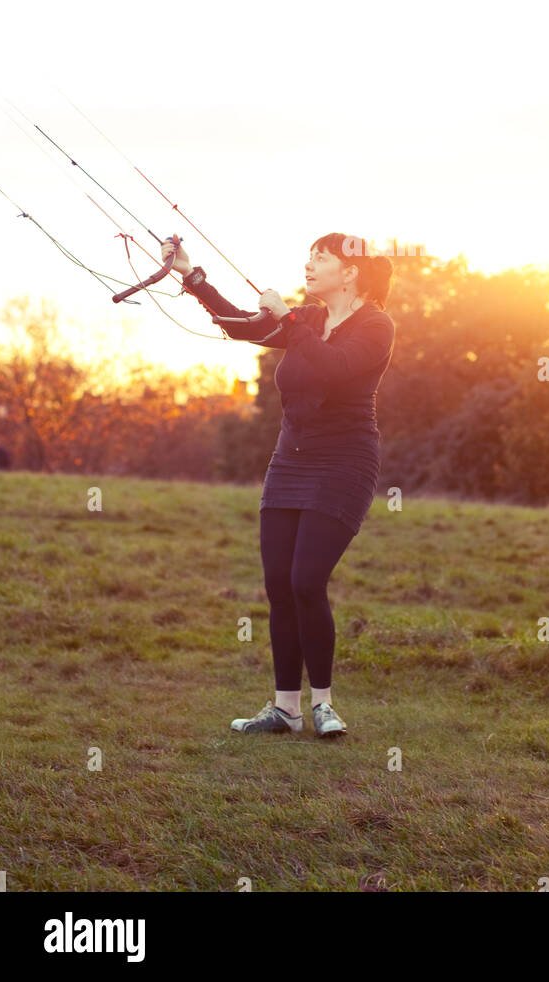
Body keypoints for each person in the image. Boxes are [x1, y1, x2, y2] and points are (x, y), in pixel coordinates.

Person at [160, 232, 395, 740]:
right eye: (310, 257)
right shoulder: (307, 320)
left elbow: (334, 369)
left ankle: (324, 705)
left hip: (344, 465)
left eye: (321, 258)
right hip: (289, 464)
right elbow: (241, 327)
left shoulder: (376, 326)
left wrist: (288, 317)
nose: (309, 265)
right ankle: (286, 710)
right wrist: (190, 276)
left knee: (307, 581)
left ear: (350, 271)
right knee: (278, 585)